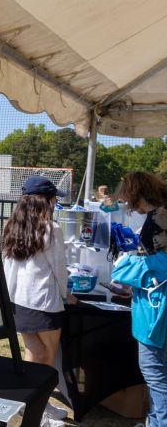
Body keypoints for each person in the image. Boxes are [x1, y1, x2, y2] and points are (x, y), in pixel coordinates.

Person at [2, 176, 75, 424]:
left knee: (33, 353)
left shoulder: (12, 225)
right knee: (48, 359)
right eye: (54, 198)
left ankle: (34, 404)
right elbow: (59, 268)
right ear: (46, 200)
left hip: (18, 300)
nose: (55, 203)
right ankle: (39, 409)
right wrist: (66, 295)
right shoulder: (51, 228)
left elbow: (7, 264)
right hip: (43, 301)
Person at [111, 172, 167, 427]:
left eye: (127, 199)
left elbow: (159, 264)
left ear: (135, 194)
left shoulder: (158, 218)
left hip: (155, 312)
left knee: (155, 374)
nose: (129, 206)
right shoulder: (159, 215)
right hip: (155, 308)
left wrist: (127, 264)